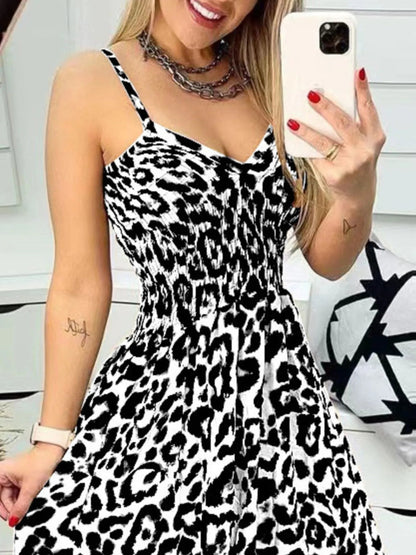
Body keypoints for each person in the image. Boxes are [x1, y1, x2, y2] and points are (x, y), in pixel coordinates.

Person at [2, 0, 387, 553]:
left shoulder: (276, 83)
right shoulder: (90, 82)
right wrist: (50, 442)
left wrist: (356, 191)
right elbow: (79, 284)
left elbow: (327, 259)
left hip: (285, 408)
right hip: (164, 405)